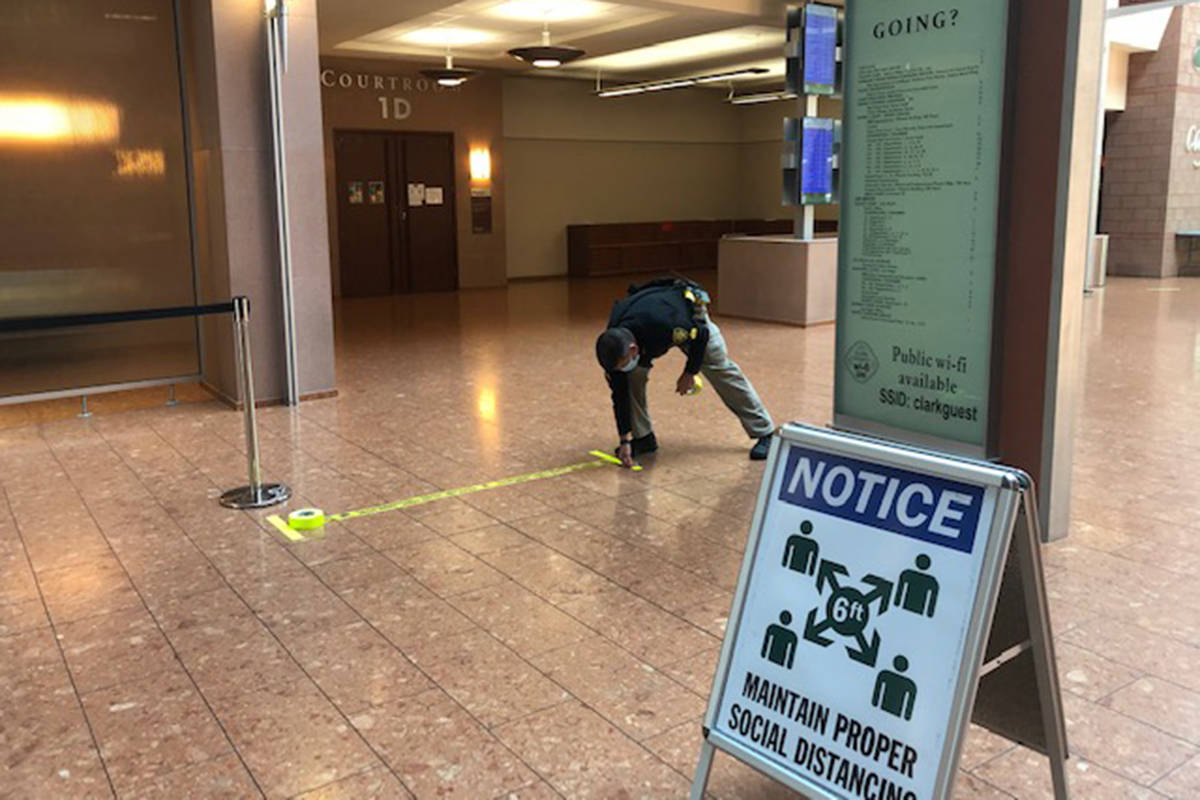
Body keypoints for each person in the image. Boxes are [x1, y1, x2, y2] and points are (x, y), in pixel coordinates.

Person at [595, 277, 775, 467]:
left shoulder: (666, 325)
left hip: (687, 314)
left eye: (624, 363)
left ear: (633, 350)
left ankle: (765, 432)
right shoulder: (614, 345)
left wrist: (690, 372)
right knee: (630, 378)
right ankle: (643, 438)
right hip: (648, 324)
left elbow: (701, 334)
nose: (621, 368)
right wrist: (625, 439)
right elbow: (619, 394)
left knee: (717, 366)